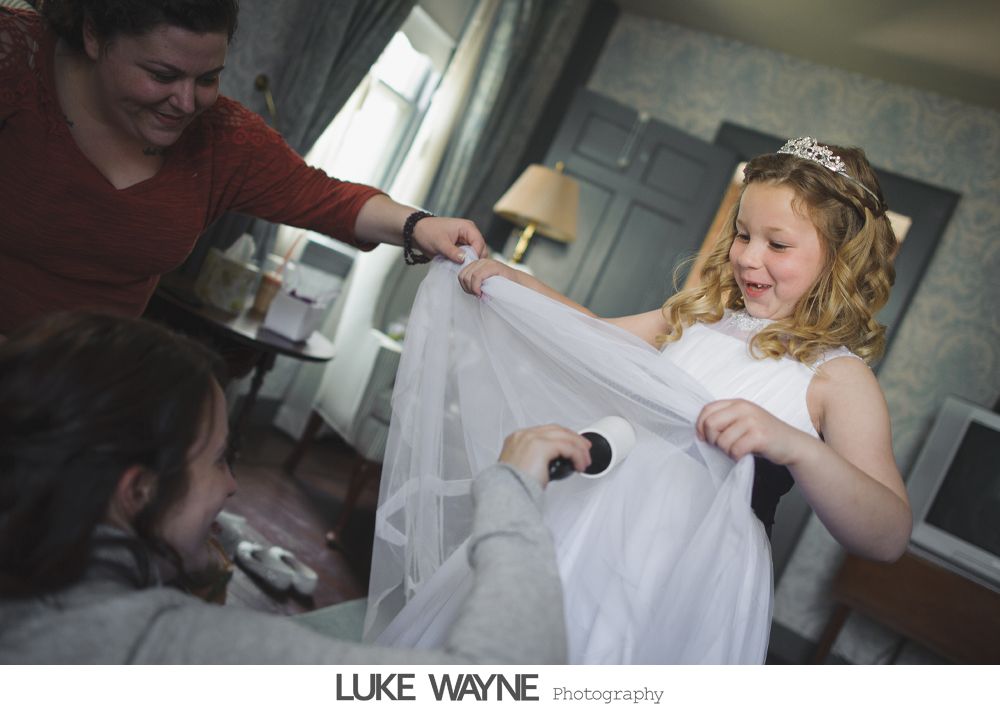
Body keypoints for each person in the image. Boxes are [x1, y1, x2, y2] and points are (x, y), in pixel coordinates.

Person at [364, 137, 912, 663]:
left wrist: (797, 447)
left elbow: (887, 536)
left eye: (778, 243)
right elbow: (593, 334)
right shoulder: (701, 320)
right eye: (743, 235)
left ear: (840, 256)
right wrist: (511, 281)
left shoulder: (838, 379)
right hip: (594, 522)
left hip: (691, 570)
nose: (748, 257)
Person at [0, 311, 587, 663]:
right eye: (219, 460)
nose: (232, 487)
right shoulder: (149, 646)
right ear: (138, 492)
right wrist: (510, 492)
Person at [0, 1, 485, 336]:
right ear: (93, 36)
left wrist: (419, 225)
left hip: (74, 389)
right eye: (162, 75)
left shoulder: (222, 137)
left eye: (207, 78)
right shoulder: (13, 59)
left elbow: (323, 196)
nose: (187, 102)